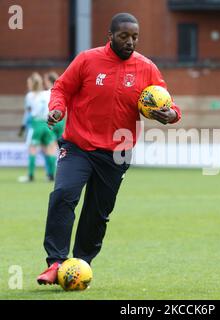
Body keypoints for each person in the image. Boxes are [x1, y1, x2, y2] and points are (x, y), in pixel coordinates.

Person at [37, 12, 182, 285]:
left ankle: (80, 264)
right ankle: (55, 262)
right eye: (124, 36)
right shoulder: (87, 60)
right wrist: (57, 109)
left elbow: (169, 105)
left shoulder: (147, 68)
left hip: (117, 153)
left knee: (97, 213)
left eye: (135, 37)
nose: (130, 42)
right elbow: (62, 88)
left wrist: (171, 115)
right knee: (63, 195)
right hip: (78, 145)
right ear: (111, 36)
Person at [17, 72, 57, 182]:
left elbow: (28, 113)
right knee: (49, 149)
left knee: (32, 149)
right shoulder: (47, 93)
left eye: (29, 83)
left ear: (31, 84)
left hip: (36, 125)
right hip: (47, 124)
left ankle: (30, 176)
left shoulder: (30, 96)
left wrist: (23, 126)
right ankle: (51, 175)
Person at [43, 71, 66, 143]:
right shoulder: (62, 93)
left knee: (50, 148)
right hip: (60, 122)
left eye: (45, 81)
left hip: (51, 121)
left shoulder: (45, 93)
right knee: (61, 147)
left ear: (48, 81)